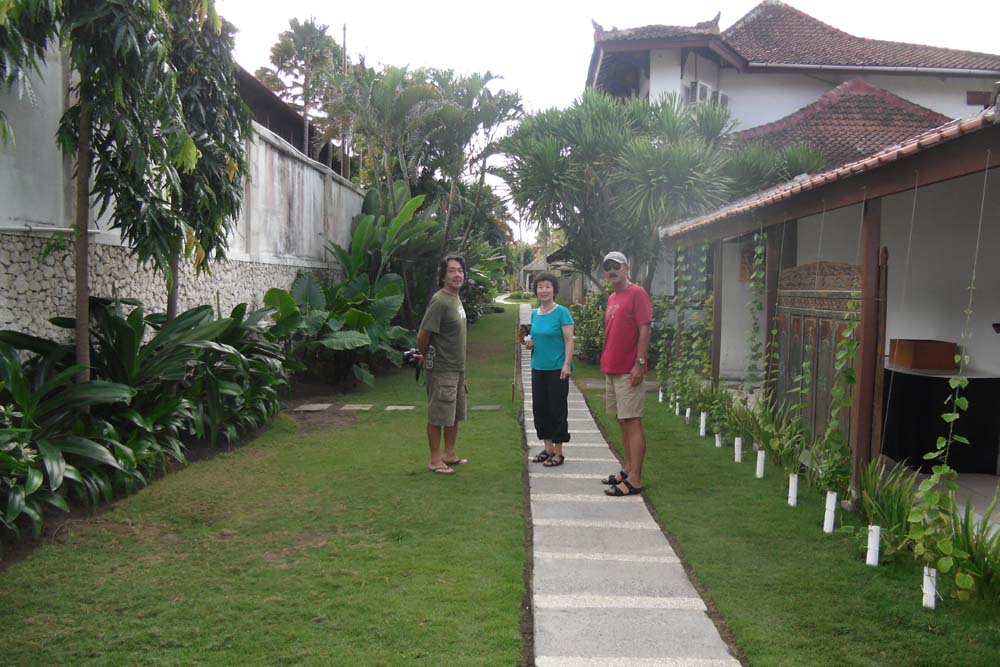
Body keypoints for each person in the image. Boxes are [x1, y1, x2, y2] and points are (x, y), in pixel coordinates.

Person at [598, 251, 652, 496]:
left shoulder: (637, 293)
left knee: (632, 421)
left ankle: (636, 480)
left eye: (616, 266)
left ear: (626, 268)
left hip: (629, 370)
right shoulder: (612, 297)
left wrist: (640, 363)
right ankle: (628, 469)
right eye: (607, 267)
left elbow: (645, 329)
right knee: (622, 420)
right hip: (612, 367)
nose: (612, 271)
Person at [416, 255, 469, 474]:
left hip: (457, 368)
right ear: (443, 275)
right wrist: (425, 356)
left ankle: (449, 454)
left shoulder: (455, 299)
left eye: (460, 270)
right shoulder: (440, 301)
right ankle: (435, 460)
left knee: (454, 413)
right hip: (441, 369)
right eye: (452, 271)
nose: (457, 275)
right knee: (438, 415)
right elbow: (423, 335)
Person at [521, 272, 574, 467]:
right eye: (540, 286)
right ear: (536, 290)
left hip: (557, 369)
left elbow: (569, 340)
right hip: (538, 367)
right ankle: (548, 448)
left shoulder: (562, 312)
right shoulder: (535, 314)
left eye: (547, 286)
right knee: (540, 409)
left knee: (557, 409)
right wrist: (530, 343)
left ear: (554, 289)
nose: (544, 290)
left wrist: (567, 364)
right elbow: (536, 339)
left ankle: (559, 453)